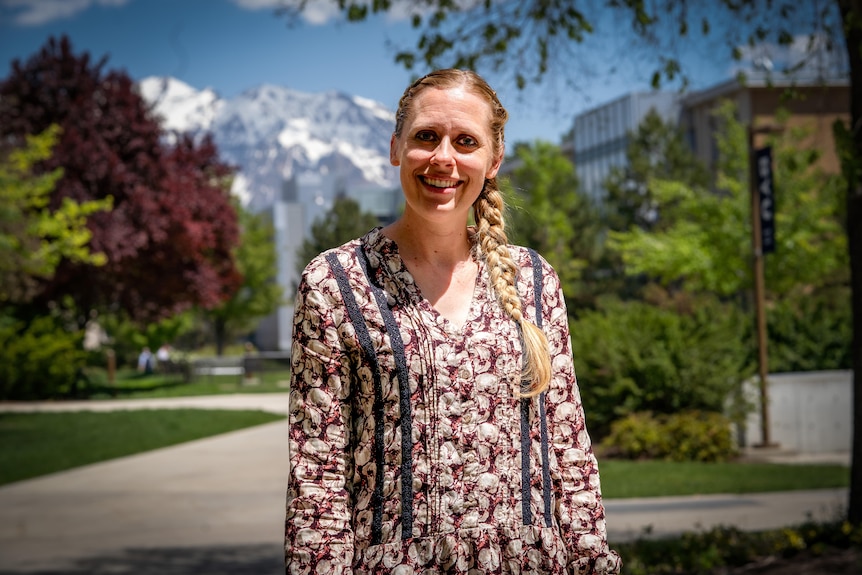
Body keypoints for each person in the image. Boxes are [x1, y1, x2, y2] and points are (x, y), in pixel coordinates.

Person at [285, 69, 621, 574]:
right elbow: (318, 470)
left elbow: (568, 449)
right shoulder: (335, 283)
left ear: (494, 158)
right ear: (395, 146)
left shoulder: (532, 280)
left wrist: (594, 561)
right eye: (426, 137)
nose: (444, 158)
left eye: (466, 141)